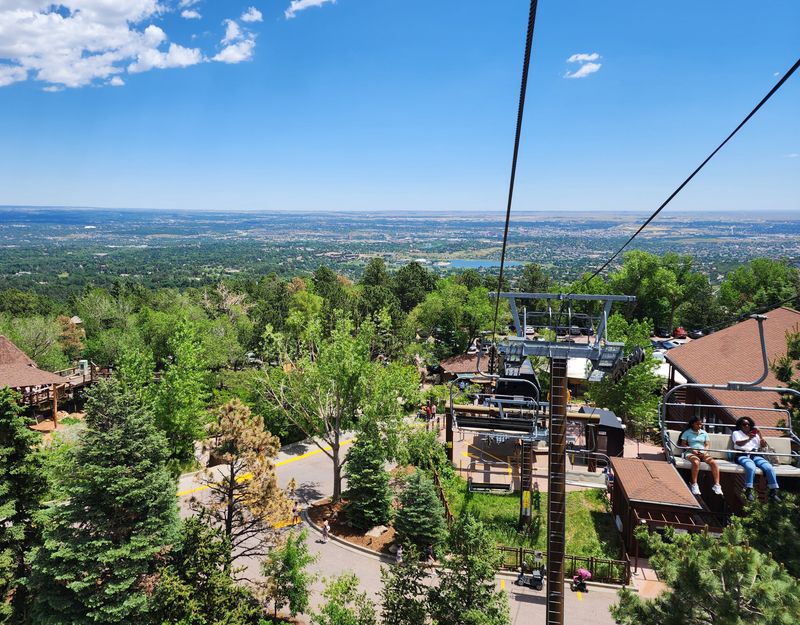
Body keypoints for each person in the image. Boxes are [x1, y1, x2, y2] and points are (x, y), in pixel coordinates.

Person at [731, 417, 780, 502]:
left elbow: (763, 446)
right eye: (744, 424)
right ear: (740, 425)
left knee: (769, 467)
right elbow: (738, 443)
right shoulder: (736, 433)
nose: (747, 426)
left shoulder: (755, 435)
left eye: (748, 424)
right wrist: (749, 438)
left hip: (755, 454)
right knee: (751, 467)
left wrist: (760, 436)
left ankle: (773, 491)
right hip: (742, 454)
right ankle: (748, 490)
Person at [679, 416, 723, 496]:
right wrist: (692, 450)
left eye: (700, 424)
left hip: (703, 453)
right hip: (690, 452)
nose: (699, 426)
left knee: (713, 463)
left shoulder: (704, 433)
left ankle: (717, 485)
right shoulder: (687, 433)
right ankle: (694, 484)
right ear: (693, 424)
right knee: (696, 462)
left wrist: (704, 452)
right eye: (697, 424)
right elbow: (683, 444)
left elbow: (707, 444)